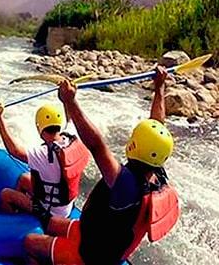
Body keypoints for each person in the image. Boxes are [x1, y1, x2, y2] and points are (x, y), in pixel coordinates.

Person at [23, 67, 180, 265]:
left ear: (134, 145)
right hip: (100, 240)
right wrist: (159, 88)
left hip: (90, 257)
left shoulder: (125, 183)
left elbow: (96, 146)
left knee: (29, 243)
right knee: (52, 223)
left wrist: (70, 102)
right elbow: (157, 125)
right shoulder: (156, 171)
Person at [0, 102, 90, 227]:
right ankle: (20, 210)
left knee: (6, 194)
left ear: (39, 127)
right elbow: (70, 119)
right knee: (24, 178)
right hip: (66, 206)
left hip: (50, 212)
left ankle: (11, 225)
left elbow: (14, 151)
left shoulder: (43, 154)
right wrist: (66, 99)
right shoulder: (71, 137)